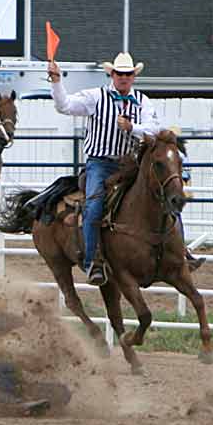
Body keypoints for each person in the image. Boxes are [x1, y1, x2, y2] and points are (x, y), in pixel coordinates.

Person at [48, 52, 159, 285]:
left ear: (133, 77)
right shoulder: (96, 97)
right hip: (100, 163)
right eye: (120, 73)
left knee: (162, 194)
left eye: (128, 74)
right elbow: (65, 106)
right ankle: (93, 262)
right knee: (94, 205)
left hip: (131, 163)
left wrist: (132, 127)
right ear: (112, 74)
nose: (124, 78)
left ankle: (178, 253)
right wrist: (57, 82)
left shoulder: (143, 101)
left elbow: (153, 130)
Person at [168, 125, 205, 272]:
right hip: (175, 191)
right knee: (176, 219)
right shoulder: (180, 154)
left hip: (170, 192)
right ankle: (182, 252)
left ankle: (181, 252)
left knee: (174, 218)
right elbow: (185, 175)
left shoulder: (173, 154)